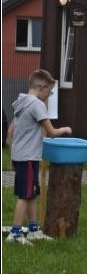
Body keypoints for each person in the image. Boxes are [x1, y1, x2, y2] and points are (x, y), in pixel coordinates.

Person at [6, 69, 72, 245]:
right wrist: (65, 129)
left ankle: (34, 229)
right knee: (24, 195)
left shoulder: (22, 102)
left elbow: (11, 131)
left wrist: (12, 157)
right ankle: (16, 233)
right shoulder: (36, 105)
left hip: (23, 156)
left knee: (32, 193)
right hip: (28, 157)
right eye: (49, 91)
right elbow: (51, 132)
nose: (49, 95)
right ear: (42, 87)